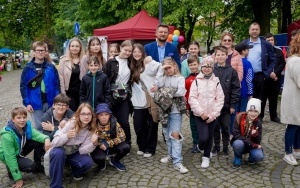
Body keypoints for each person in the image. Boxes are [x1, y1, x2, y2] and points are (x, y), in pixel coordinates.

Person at [0, 107, 51, 188]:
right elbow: (10, 157)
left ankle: (38, 165)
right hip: (9, 155)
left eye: (24, 117)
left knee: (39, 141)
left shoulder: (27, 126)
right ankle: (11, 171)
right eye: (19, 118)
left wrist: (46, 139)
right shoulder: (7, 136)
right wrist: (18, 178)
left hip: (19, 148)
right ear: (13, 120)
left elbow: (37, 135)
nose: (22, 120)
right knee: (30, 167)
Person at [154, 57, 189, 174]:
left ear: (174, 66)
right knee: (167, 135)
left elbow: (181, 92)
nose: (168, 70)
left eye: (169, 67)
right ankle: (170, 155)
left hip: (175, 111)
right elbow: (157, 84)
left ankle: (178, 162)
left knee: (175, 135)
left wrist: (164, 91)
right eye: (166, 68)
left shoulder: (180, 78)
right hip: (164, 111)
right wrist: (161, 70)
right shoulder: (163, 78)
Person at [49, 103, 97, 187]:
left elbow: (82, 150)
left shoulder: (91, 128)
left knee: (88, 162)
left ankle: (75, 172)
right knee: (58, 153)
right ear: (78, 114)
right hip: (60, 151)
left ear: (92, 115)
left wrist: (93, 143)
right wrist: (66, 136)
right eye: (83, 114)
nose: (86, 117)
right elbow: (54, 142)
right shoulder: (71, 123)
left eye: (89, 114)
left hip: (73, 153)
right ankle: (56, 185)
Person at [189, 56, 224, 168]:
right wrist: (201, 112)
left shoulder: (216, 81)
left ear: (212, 68)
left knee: (210, 137)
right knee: (204, 137)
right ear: (201, 67)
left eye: (209, 67)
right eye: (204, 66)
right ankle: (200, 146)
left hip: (212, 115)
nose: (207, 69)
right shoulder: (197, 81)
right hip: (200, 115)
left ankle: (206, 157)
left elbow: (220, 99)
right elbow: (192, 98)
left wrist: (214, 114)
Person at [20, 41, 60, 132]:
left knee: (52, 125)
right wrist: (27, 103)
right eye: (38, 50)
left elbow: (57, 85)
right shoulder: (28, 68)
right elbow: (23, 87)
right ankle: (41, 145)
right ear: (34, 52)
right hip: (35, 103)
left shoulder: (51, 67)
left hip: (50, 102)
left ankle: (51, 144)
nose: (40, 52)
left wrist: (57, 101)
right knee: (39, 127)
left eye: (43, 50)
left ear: (46, 52)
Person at [130, 43, 160, 158]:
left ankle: (150, 149)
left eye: (139, 51)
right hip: (137, 102)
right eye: (134, 52)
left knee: (152, 125)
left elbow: (161, 68)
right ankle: (141, 146)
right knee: (139, 126)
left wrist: (157, 85)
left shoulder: (149, 64)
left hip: (150, 100)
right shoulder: (131, 65)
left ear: (143, 53)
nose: (137, 54)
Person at [103, 40, 133, 147]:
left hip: (125, 96)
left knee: (124, 121)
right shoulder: (111, 62)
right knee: (112, 121)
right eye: (126, 50)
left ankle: (127, 142)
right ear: (120, 48)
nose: (128, 53)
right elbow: (105, 79)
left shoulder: (131, 62)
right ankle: (114, 142)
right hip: (112, 95)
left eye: (130, 51)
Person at [211, 46, 240, 157]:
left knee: (226, 127)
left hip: (226, 106)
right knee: (215, 127)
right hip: (214, 106)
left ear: (226, 56)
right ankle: (216, 147)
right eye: (218, 54)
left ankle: (225, 148)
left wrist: (233, 105)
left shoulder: (231, 71)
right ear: (215, 56)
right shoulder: (212, 70)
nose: (220, 56)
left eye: (222, 54)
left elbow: (235, 88)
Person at [241, 22, 276, 100]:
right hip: (245, 76)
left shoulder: (266, 44)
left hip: (259, 76)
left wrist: (267, 73)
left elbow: (273, 59)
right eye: (253, 29)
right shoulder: (243, 43)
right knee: (245, 99)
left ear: (259, 31)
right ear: (249, 31)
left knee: (258, 100)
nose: (254, 31)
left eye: (256, 29)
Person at [91, 103, 130, 171]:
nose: (104, 117)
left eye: (106, 114)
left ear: (109, 115)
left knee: (126, 147)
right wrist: (99, 144)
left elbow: (122, 137)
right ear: (97, 116)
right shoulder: (93, 125)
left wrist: (108, 143)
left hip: (112, 146)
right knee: (98, 157)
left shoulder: (114, 123)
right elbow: (90, 139)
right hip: (100, 147)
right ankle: (102, 163)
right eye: (101, 115)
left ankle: (115, 160)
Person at [281, 33, 300, 166]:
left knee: (297, 124)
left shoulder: (294, 59)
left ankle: (297, 150)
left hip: (295, 98)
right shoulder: (296, 61)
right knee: (292, 125)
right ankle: (288, 153)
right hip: (293, 99)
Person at [231, 98, 264, 168]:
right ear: (247, 111)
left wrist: (255, 135)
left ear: (259, 113)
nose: (253, 113)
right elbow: (236, 134)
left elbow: (258, 141)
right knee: (237, 144)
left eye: (255, 111)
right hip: (242, 143)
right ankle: (238, 157)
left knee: (259, 156)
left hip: (251, 145)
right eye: (251, 111)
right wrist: (252, 144)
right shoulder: (239, 118)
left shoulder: (258, 123)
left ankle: (252, 156)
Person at [261, 33, 286, 123]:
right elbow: (261, 64)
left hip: (275, 79)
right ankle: (260, 116)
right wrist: (269, 73)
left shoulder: (278, 51)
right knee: (262, 99)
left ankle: (273, 116)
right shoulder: (262, 52)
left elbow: (282, 63)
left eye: (272, 40)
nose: (270, 42)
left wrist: (275, 73)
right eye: (268, 40)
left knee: (274, 99)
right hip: (264, 79)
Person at [58, 38, 85, 111]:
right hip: (69, 93)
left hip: (82, 93)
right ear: (69, 47)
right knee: (71, 114)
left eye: (77, 46)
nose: (74, 48)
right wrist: (63, 95)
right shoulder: (64, 60)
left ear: (80, 48)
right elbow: (61, 78)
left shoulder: (85, 60)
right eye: (72, 46)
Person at [184, 54, 200, 153]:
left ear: (198, 64)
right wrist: (186, 107)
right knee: (193, 126)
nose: (193, 67)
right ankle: (195, 143)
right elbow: (186, 94)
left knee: (201, 126)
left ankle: (202, 143)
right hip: (191, 107)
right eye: (191, 65)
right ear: (188, 66)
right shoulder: (187, 79)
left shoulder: (202, 77)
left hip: (202, 107)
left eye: (195, 64)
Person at [235, 43, 254, 112]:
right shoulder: (247, 63)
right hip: (244, 91)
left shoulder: (233, 62)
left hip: (234, 92)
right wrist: (250, 93)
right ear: (243, 51)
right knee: (243, 112)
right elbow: (249, 79)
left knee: (235, 111)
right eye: (248, 49)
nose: (248, 51)